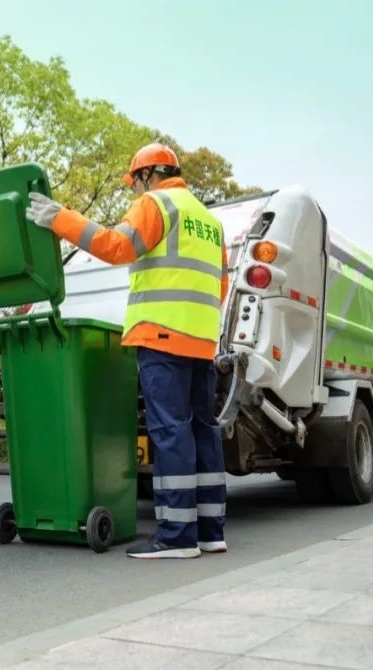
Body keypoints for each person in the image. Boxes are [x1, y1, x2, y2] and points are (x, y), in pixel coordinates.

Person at [25, 142, 229, 559]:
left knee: (170, 430)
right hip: (202, 340)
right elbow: (220, 286)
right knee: (202, 430)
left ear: (146, 175)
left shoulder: (156, 205)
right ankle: (210, 531)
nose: (134, 190)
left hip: (161, 336)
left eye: (134, 182)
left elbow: (115, 247)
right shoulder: (209, 221)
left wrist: (60, 218)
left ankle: (176, 537)